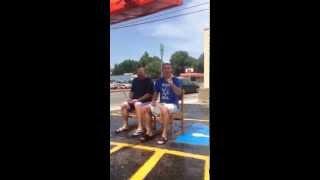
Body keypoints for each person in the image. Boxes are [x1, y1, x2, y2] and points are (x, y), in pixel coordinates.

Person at [140, 63, 182, 144]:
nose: (166, 70)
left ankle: (164, 135)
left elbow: (179, 93)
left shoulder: (176, 80)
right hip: (162, 104)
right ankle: (149, 132)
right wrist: (153, 101)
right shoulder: (159, 81)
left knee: (164, 109)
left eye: (168, 68)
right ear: (162, 70)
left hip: (173, 105)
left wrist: (171, 84)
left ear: (171, 70)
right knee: (146, 108)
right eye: (165, 68)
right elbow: (156, 93)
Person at [114, 66, 154, 137]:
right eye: (138, 72)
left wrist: (138, 100)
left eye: (141, 72)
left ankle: (140, 127)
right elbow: (132, 91)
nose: (139, 73)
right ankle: (125, 125)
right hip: (135, 101)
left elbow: (149, 94)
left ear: (145, 72)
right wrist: (130, 98)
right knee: (124, 104)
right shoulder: (135, 80)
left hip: (146, 102)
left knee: (137, 104)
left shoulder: (149, 81)